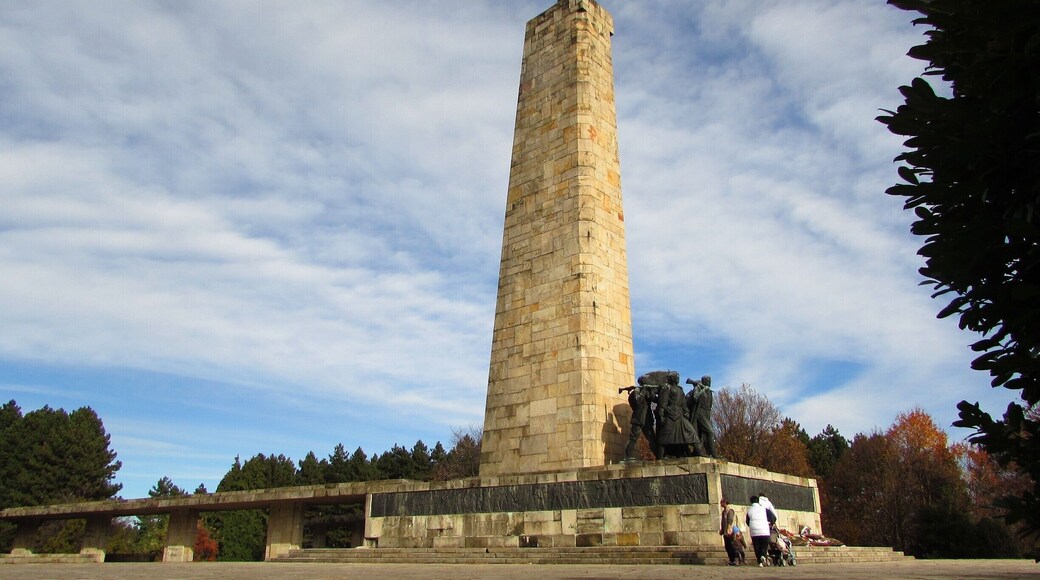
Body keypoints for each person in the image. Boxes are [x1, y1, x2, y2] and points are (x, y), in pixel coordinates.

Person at [687, 375, 716, 457]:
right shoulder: (698, 388)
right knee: (709, 432)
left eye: (710, 380)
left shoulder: (709, 391)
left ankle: (702, 452)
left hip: (707, 413)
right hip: (700, 413)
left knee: (702, 435)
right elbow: (695, 398)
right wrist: (703, 390)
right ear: (704, 381)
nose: (709, 382)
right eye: (708, 380)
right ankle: (713, 453)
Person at [746, 495, 776, 567]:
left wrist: (752, 526)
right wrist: (771, 523)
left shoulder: (749, 510)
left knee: (757, 546)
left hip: (754, 531)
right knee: (764, 545)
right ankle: (763, 555)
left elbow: (747, 521)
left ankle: (759, 561)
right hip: (764, 530)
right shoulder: (764, 509)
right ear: (758, 501)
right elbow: (773, 517)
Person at [719, 497, 739, 565]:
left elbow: (730, 520)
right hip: (725, 532)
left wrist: (728, 529)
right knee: (727, 547)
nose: (720, 503)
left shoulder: (730, 511)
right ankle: (731, 560)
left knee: (732, 546)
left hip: (731, 531)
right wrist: (722, 529)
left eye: (721, 502)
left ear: (724, 502)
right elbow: (723, 522)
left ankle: (736, 560)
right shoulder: (724, 511)